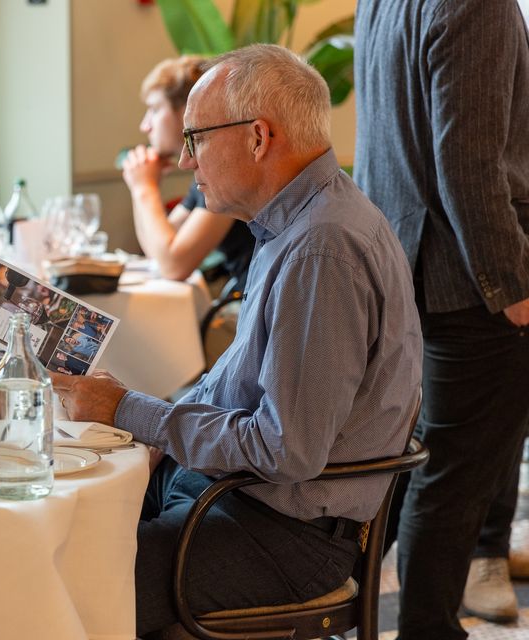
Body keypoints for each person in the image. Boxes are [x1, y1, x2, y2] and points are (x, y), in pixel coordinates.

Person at [51, 44, 422, 636]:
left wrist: (132, 412)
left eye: (196, 138)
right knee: (59, 525)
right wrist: (152, 424)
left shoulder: (321, 249)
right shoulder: (291, 224)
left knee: (65, 588)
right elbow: (242, 384)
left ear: (258, 138)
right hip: (238, 499)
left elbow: (286, 451)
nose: (184, 159)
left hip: (284, 535)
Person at [354, 0, 529, 636]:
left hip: (405, 262)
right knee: (450, 478)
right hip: (467, 278)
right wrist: (511, 287)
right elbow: (470, 166)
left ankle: (349, 611)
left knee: (414, 465)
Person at [122, 55, 254, 285]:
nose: (145, 125)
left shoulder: (225, 166)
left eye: (154, 109)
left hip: (257, 303)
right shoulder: (203, 170)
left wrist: (145, 189)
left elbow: (175, 265)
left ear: (188, 110)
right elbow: (157, 251)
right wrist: (139, 185)